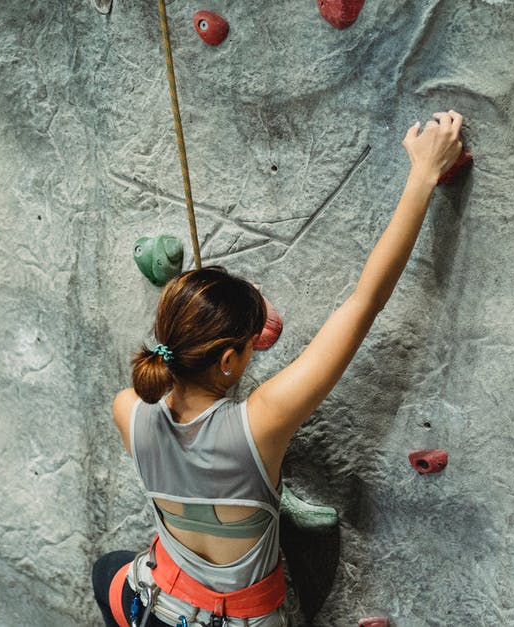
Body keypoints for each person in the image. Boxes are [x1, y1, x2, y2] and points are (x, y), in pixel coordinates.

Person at [92, 111, 465, 627]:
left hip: (156, 605)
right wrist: (424, 174)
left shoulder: (128, 409)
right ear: (228, 361)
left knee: (106, 570)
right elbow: (363, 304)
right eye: (249, 346)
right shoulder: (259, 424)